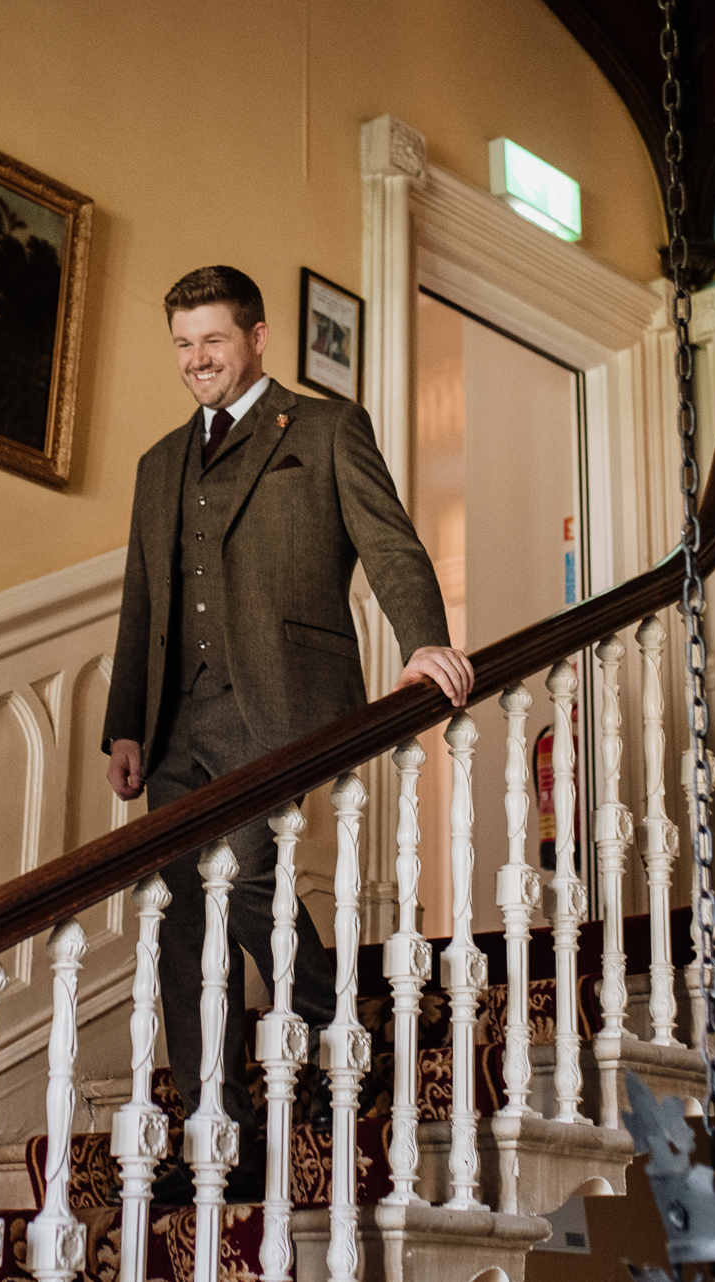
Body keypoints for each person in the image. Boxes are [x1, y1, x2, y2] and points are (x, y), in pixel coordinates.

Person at [103, 266, 471, 1202]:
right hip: (175, 721)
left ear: (257, 338)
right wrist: (124, 725)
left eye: (212, 342)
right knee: (187, 919)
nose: (196, 362)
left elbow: (389, 542)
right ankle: (209, 1127)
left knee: (249, 868)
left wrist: (425, 641)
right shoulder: (157, 464)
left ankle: (328, 1003)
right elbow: (144, 598)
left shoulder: (323, 428)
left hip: (283, 702)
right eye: (183, 345)